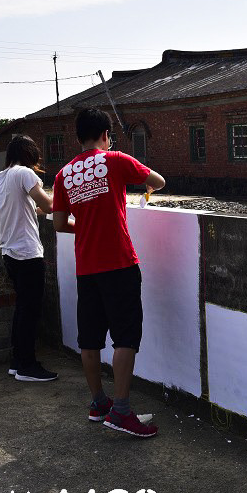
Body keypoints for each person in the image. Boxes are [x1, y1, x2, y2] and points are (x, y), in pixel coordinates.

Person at [52, 108, 166, 438]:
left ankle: (98, 404)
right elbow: (157, 181)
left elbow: (59, 224)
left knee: (89, 340)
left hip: (86, 267)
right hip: (119, 263)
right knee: (126, 337)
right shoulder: (114, 160)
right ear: (105, 134)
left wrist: (85, 226)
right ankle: (121, 412)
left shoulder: (63, 175)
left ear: (78, 137)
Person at [0, 134, 59, 383]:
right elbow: (49, 205)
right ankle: (28, 366)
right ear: (29, 154)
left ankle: (17, 361)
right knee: (30, 311)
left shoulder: (2, 177)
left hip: (10, 251)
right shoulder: (25, 174)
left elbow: (33, 209)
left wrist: (50, 205)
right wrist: (67, 199)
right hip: (27, 252)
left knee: (22, 308)